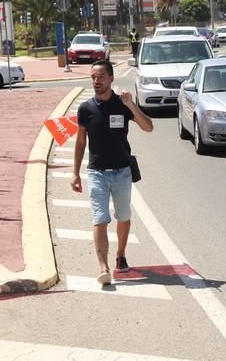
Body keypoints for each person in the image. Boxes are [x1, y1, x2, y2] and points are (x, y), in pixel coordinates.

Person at [71, 60, 153, 285]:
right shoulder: (86, 108)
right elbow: (80, 142)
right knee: (100, 219)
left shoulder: (122, 105)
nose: (96, 82)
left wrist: (131, 105)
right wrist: (75, 173)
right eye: (93, 78)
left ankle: (121, 255)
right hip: (97, 172)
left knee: (123, 216)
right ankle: (103, 267)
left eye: (100, 77)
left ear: (111, 79)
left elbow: (148, 127)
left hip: (122, 172)